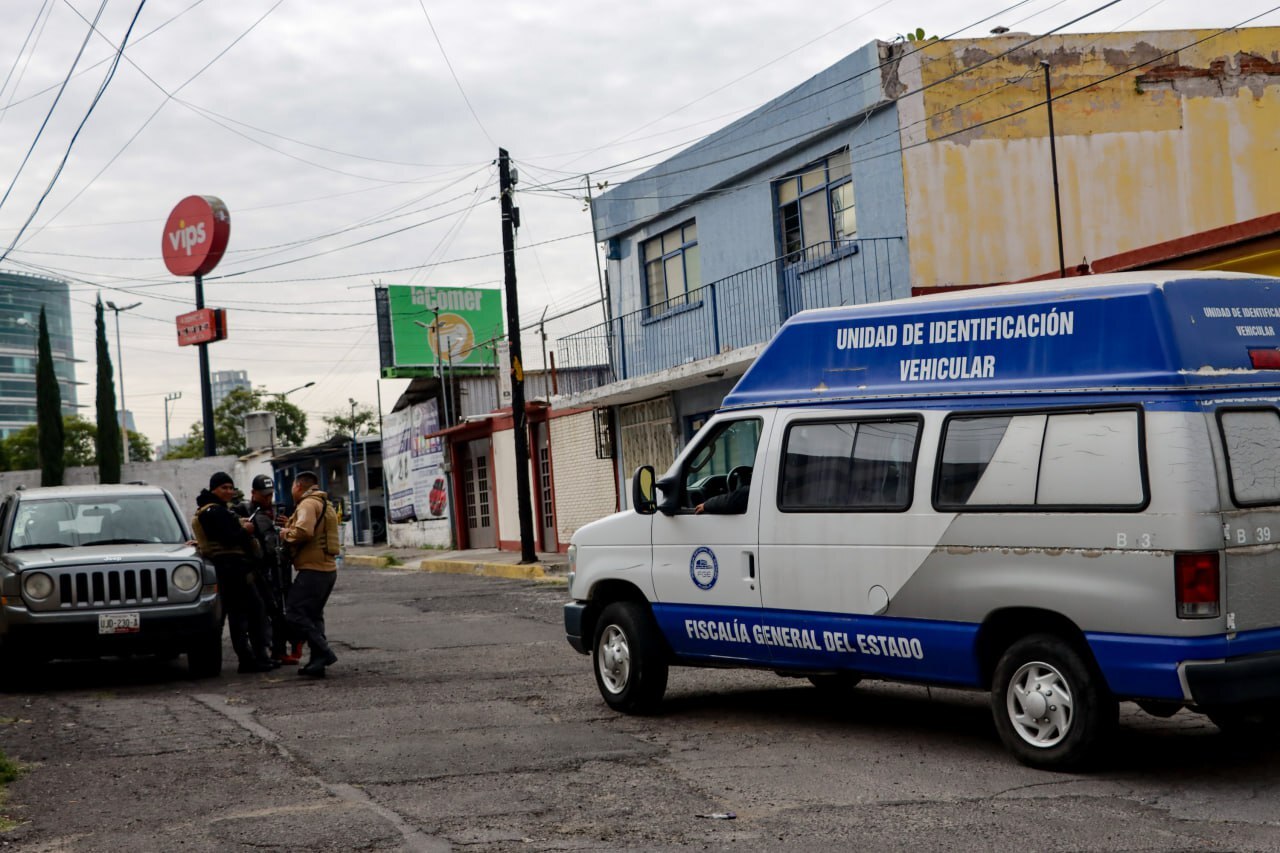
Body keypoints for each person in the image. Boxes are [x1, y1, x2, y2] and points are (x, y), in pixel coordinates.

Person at [192, 472, 276, 673]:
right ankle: (250, 659)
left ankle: (253, 658)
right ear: (214, 489)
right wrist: (246, 530)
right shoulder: (214, 511)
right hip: (232, 570)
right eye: (224, 488)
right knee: (248, 614)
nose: (229, 491)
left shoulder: (214, 509)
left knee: (244, 615)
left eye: (231, 487)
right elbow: (229, 537)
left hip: (231, 569)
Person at [237, 475, 302, 665]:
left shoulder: (275, 511)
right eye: (264, 495)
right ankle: (262, 652)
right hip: (259, 570)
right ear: (253, 493)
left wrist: (287, 524)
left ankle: (279, 650)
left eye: (270, 494)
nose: (268, 498)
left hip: (280, 568)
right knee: (261, 613)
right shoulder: (244, 510)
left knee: (281, 610)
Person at [280, 471, 339, 677]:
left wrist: (286, 533)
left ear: (297, 486)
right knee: (313, 615)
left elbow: (304, 531)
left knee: (294, 613)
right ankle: (317, 662)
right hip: (327, 569)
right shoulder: (324, 503)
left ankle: (324, 652)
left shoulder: (307, 504)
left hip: (313, 570)